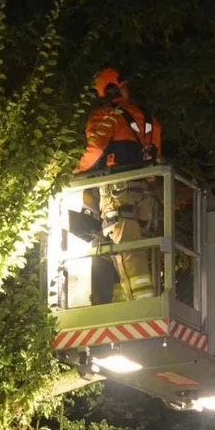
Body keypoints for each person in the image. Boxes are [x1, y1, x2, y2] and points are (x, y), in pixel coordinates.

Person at [74, 67, 163, 301]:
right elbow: (155, 162)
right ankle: (149, 300)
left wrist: (73, 175)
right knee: (143, 254)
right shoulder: (149, 119)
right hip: (147, 198)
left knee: (128, 253)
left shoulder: (105, 115)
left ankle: (142, 308)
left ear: (106, 90)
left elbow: (95, 150)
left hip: (120, 194)